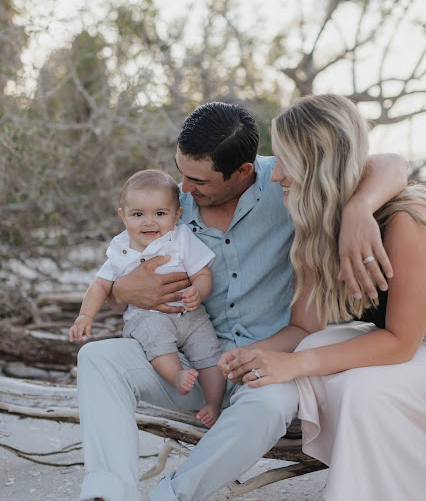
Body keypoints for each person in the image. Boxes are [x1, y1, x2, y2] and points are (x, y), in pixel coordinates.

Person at [77, 102, 408, 501]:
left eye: (199, 181)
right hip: (188, 358)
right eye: (181, 172)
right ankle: (109, 492)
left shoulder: (289, 186)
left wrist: (359, 208)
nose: (184, 188)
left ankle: (171, 496)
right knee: (97, 360)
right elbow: (117, 279)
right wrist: (120, 292)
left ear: (243, 172)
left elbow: (389, 164)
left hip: (269, 359)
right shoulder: (169, 206)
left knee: (270, 404)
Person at [220, 94, 426, 501]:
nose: (276, 174)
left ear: (318, 162)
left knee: (363, 391)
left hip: (412, 344)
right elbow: (304, 327)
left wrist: (294, 364)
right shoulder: (318, 226)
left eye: (286, 160)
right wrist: (253, 356)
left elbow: (402, 343)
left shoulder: (402, 220)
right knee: (318, 346)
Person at [70, 170, 224, 428]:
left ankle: (214, 402)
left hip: (191, 315)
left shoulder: (182, 238)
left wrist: (198, 290)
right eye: (138, 214)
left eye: (160, 214)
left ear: (177, 215)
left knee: (209, 352)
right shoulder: (121, 249)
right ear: (123, 216)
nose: (149, 222)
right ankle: (175, 375)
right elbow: (100, 285)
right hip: (147, 317)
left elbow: (202, 272)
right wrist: (85, 316)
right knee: (158, 342)